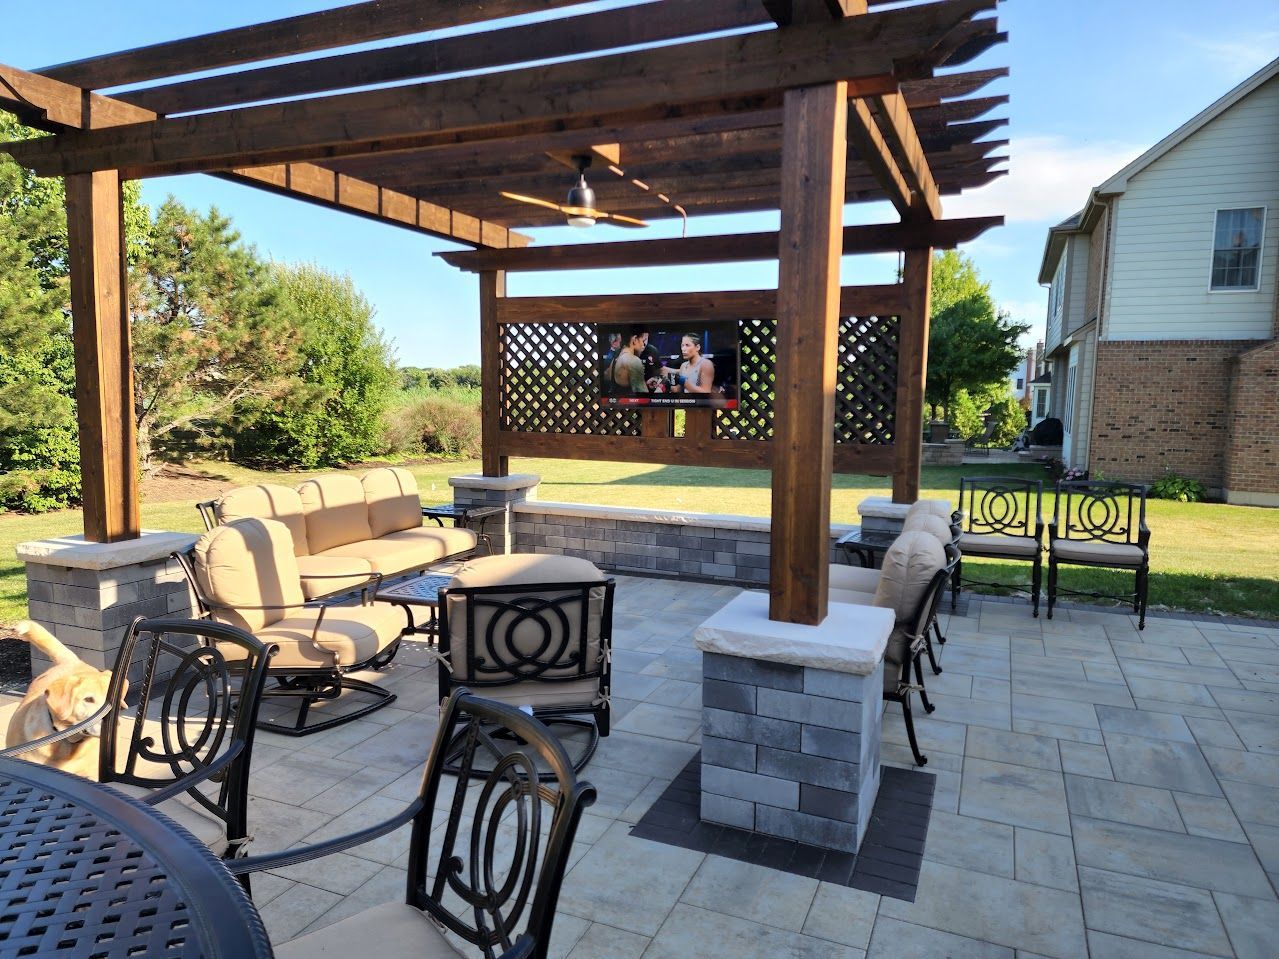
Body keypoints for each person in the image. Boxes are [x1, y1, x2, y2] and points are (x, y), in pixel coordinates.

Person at [603, 328, 649, 395]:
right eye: (643, 341)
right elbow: (644, 399)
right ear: (635, 339)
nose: (643, 345)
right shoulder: (633, 360)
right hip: (630, 405)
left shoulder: (616, 359)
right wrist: (661, 387)